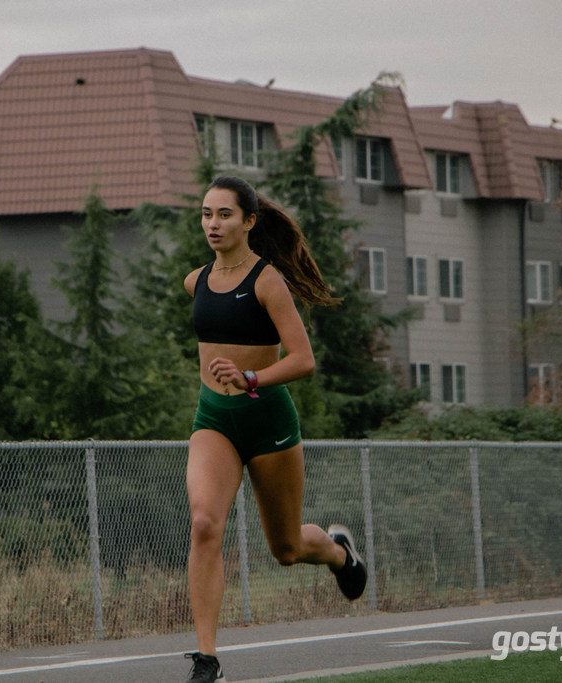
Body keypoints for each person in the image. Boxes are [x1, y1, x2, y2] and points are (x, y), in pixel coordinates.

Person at [181, 176, 367, 683]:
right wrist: (228, 386)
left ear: (248, 221)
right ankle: (206, 660)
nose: (212, 224)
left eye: (223, 214)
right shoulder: (194, 282)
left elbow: (304, 360)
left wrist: (251, 378)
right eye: (206, 214)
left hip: (268, 420)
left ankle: (336, 550)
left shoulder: (267, 282)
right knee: (203, 524)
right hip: (213, 420)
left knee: (285, 549)